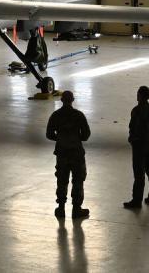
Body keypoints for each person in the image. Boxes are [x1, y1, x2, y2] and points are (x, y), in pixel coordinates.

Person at [46, 90, 91, 219]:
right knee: (78, 180)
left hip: (62, 153)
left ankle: (61, 208)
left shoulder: (55, 115)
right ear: (73, 100)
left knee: (62, 180)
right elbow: (86, 135)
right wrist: (77, 138)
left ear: (61, 100)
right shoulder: (78, 115)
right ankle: (76, 209)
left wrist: (60, 138)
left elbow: (49, 134)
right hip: (76, 153)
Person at [123, 85, 149, 208]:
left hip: (139, 145)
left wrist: (132, 139)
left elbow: (134, 127)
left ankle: (137, 200)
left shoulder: (136, 110)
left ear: (140, 95)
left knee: (139, 174)